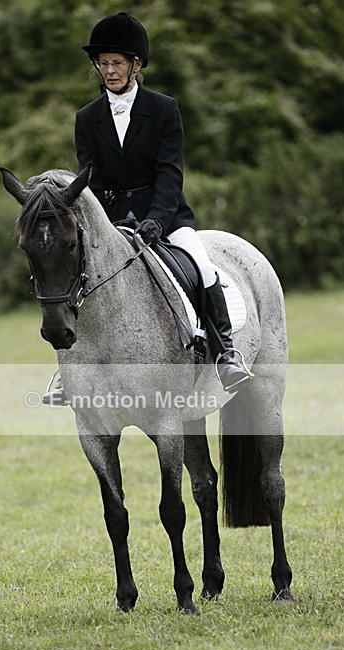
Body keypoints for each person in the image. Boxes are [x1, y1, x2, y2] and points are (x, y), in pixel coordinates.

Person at [44, 12, 251, 405]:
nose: (109, 71)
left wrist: (157, 218)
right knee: (79, 277)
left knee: (201, 264)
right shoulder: (86, 118)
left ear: (136, 64)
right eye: (103, 63)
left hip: (165, 216)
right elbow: (89, 180)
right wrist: (106, 224)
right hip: (109, 221)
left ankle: (226, 354)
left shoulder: (164, 109)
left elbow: (170, 173)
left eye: (117, 63)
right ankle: (68, 371)